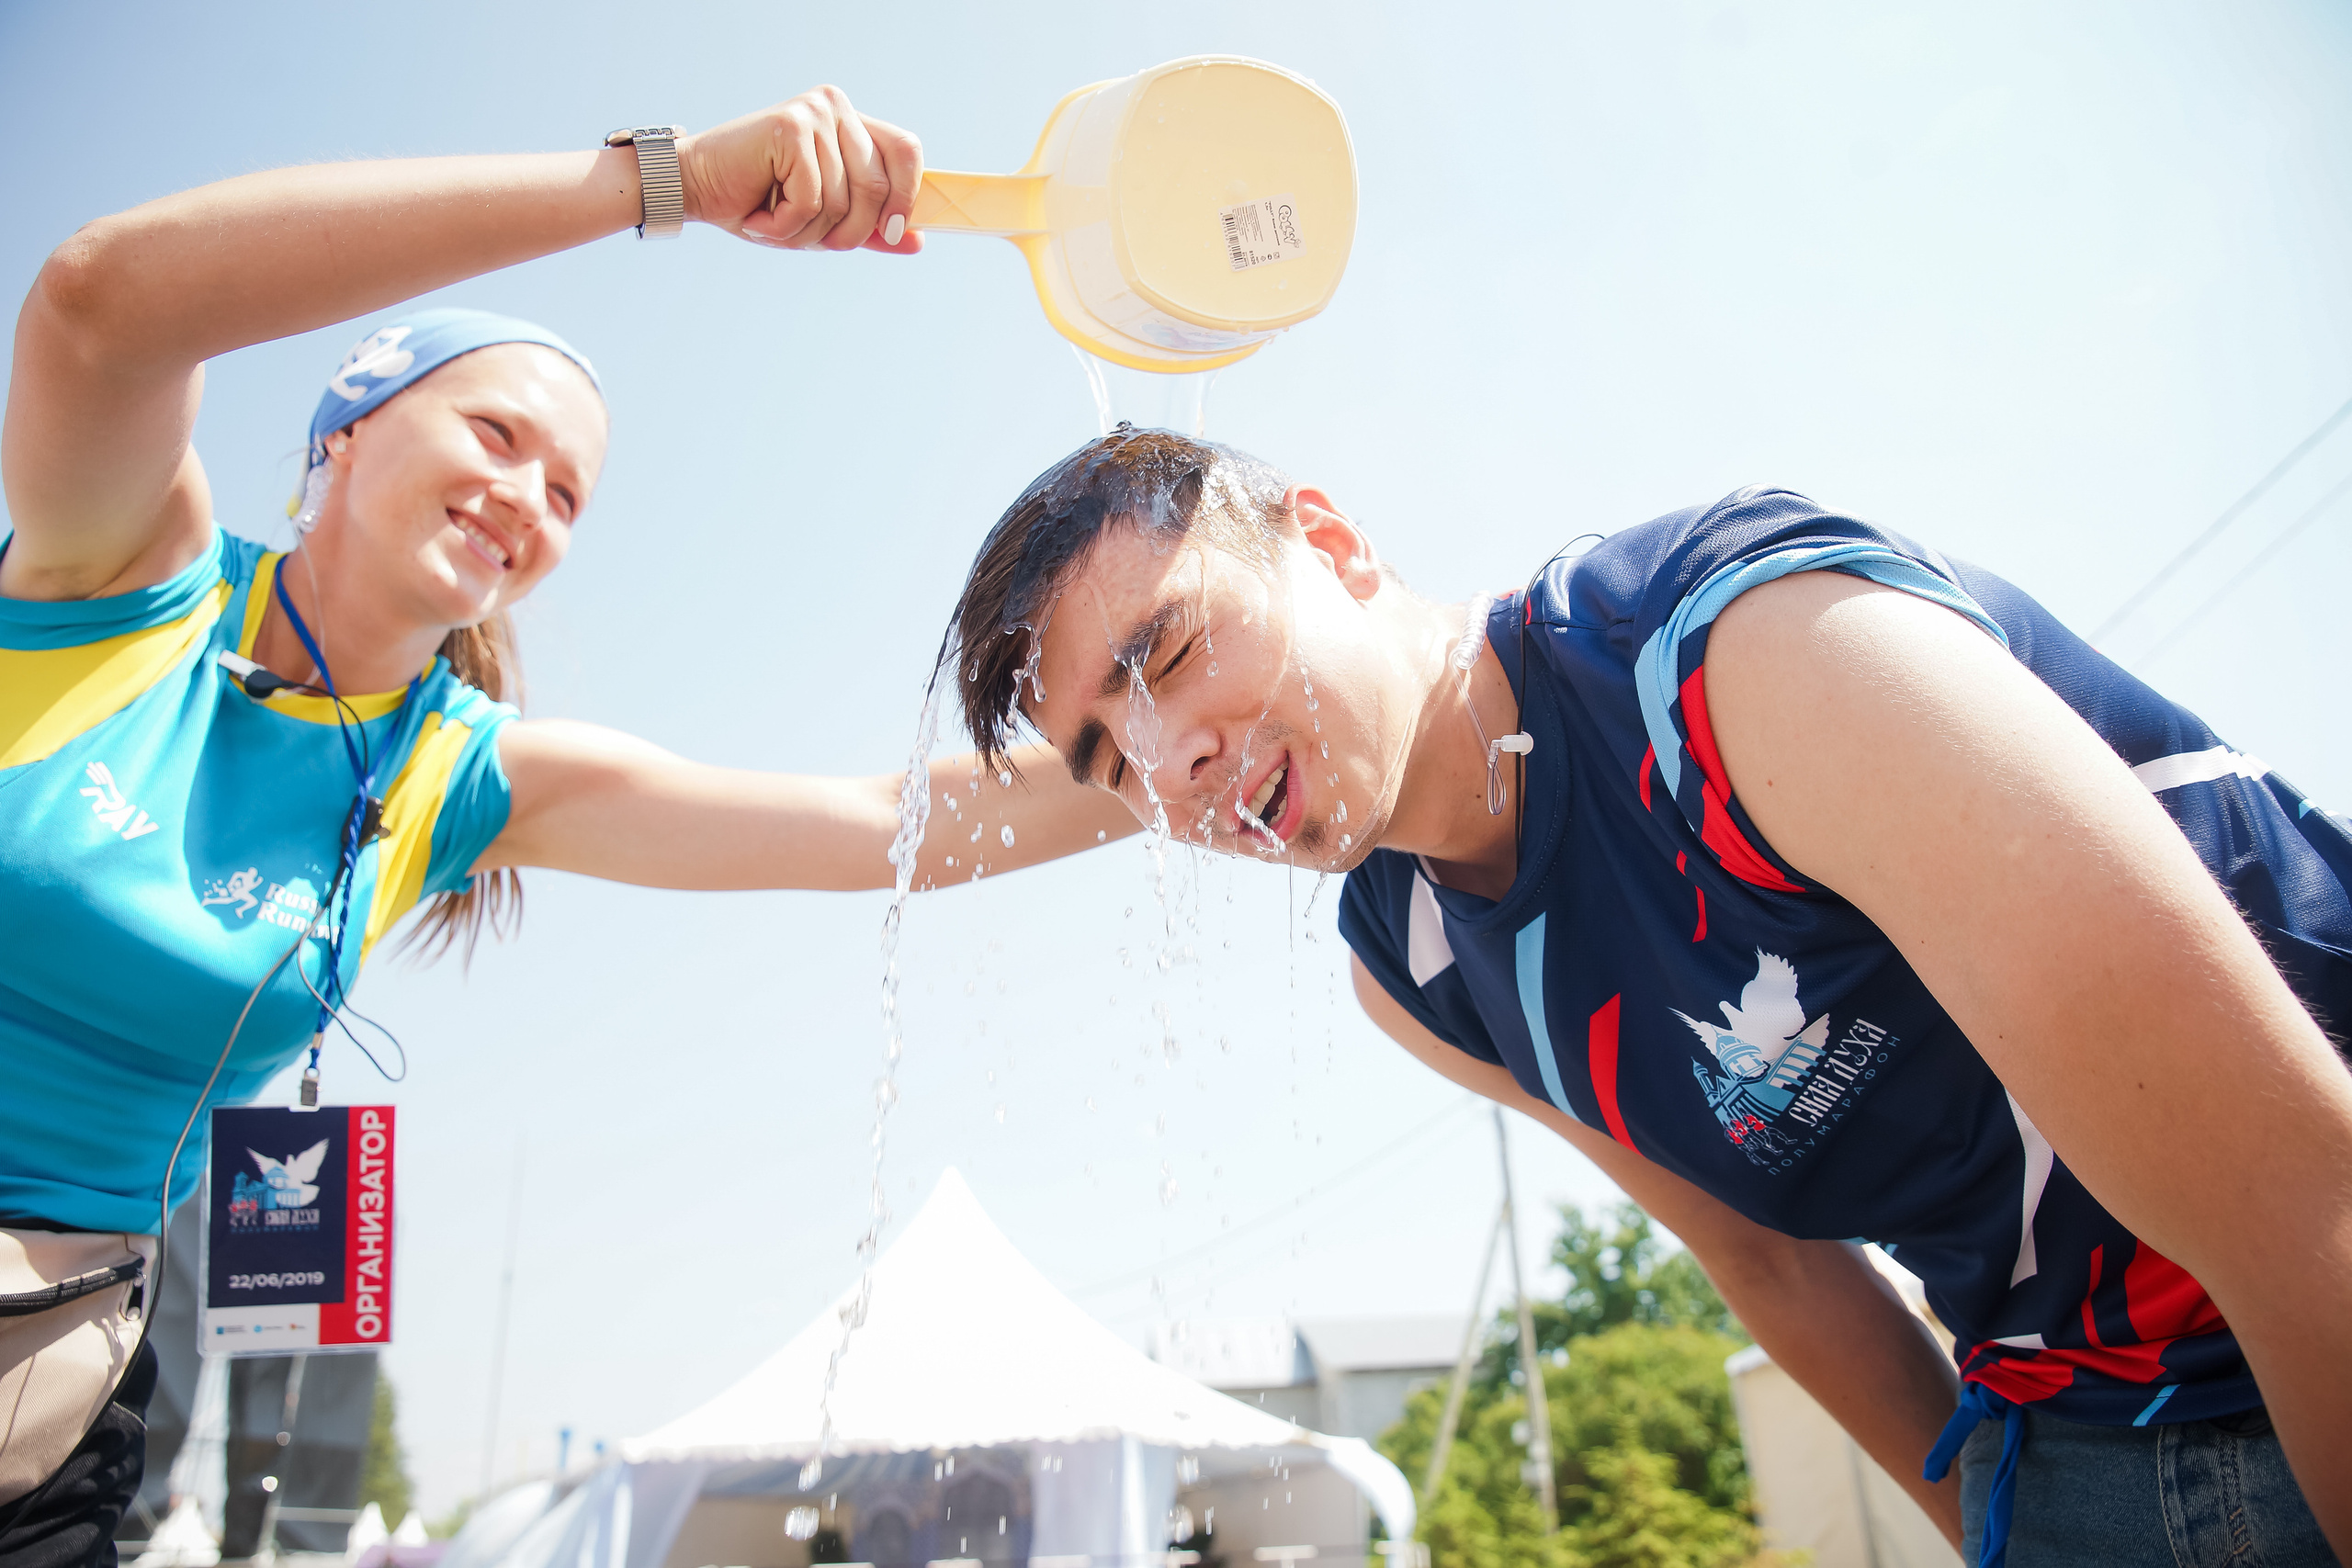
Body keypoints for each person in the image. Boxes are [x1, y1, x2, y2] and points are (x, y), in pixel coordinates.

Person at [0, 89, 1133, 1568]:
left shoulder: (466, 783)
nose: (527, 496)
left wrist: (1203, 737)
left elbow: (879, 822)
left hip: (49, 1408)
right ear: (344, 423)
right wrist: (656, 184)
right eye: (495, 430)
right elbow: (101, 301)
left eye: (569, 491)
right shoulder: (124, 577)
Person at [939, 427, 2352, 1563]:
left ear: (1331, 545)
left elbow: (2304, 1206)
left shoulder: (1735, 661)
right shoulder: (1418, 966)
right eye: (1112, 761)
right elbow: (1773, 1265)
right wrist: (1984, 1525)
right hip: (2074, 1442)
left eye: (1175, 656)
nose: (1171, 763)